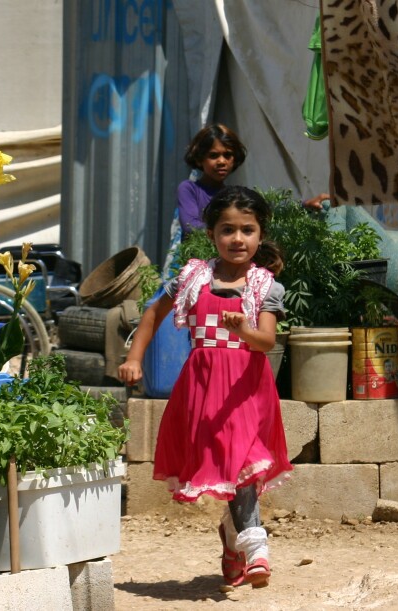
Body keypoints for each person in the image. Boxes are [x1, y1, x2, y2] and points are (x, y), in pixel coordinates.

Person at [119, 186, 293, 588]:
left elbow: (266, 342)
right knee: (229, 467)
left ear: (260, 235)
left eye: (247, 230)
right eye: (227, 229)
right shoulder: (192, 278)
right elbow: (152, 315)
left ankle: (255, 547)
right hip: (202, 388)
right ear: (212, 234)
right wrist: (133, 358)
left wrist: (244, 328)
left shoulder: (265, 287)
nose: (238, 239)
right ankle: (234, 541)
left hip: (247, 389)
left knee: (245, 463)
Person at [162, 123, 247, 279]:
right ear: (200, 159)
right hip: (195, 272)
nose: (222, 161)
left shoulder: (234, 195)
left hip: (225, 273)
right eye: (213, 155)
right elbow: (190, 227)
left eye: (227, 155)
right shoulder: (189, 189)